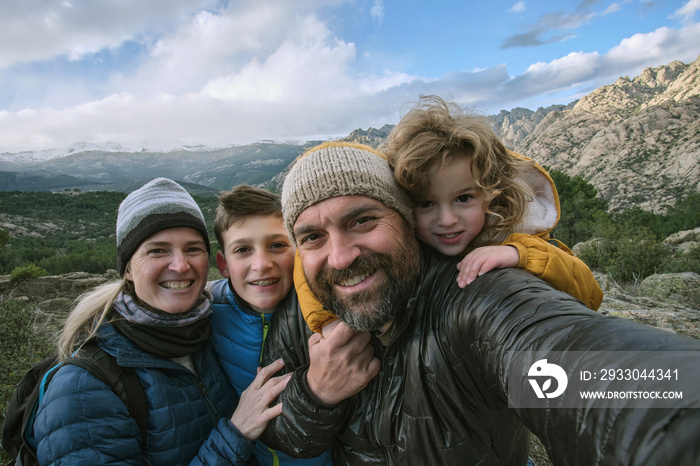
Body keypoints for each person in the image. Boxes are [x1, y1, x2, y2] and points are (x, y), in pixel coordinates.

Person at [258, 142, 700, 465]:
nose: (340, 257)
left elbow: (577, 367)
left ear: (408, 222)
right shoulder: (303, 309)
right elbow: (283, 433)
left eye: (364, 220)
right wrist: (317, 393)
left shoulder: (473, 292)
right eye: (312, 237)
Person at [33, 177, 290, 465]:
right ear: (128, 268)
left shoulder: (205, 331)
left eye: (193, 248)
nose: (180, 266)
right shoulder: (83, 387)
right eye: (157, 250)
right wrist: (236, 433)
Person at [299, 96, 602, 336]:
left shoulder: (513, 235)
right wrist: (326, 321)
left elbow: (590, 292)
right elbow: (308, 267)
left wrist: (519, 255)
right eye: (426, 204)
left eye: (463, 199)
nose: (446, 220)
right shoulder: (402, 243)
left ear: (491, 193)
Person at [209, 184, 332, 466]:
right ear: (223, 264)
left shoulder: (325, 307)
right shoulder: (209, 311)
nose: (262, 264)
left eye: (277, 245)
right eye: (242, 250)